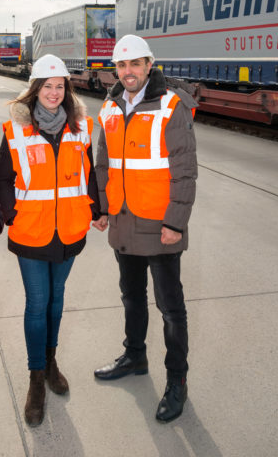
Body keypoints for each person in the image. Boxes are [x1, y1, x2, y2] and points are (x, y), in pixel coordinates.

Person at [93, 34, 197, 423]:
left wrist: (175, 222)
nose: (128, 72)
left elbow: (185, 169)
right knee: (131, 297)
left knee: (171, 309)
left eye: (135, 64)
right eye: (122, 65)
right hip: (122, 219)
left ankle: (177, 381)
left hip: (160, 224)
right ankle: (135, 355)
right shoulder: (111, 105)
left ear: (150, 65)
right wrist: (102, 208)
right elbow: (103, 162)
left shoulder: (172, 105)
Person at [0, 54, 100, 427]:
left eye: (60, 86)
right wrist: (11, 215)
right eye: (47, 86)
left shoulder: (82, 128)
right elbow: (2, 180)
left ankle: (51, 362)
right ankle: (36, 379)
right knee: (37, 303)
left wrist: (96, 210)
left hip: (70, 229)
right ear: (34, 90)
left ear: (67, 91)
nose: (54, 93)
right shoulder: (15, 130)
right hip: (32, 233)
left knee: (57, 301)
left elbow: (90, 175)